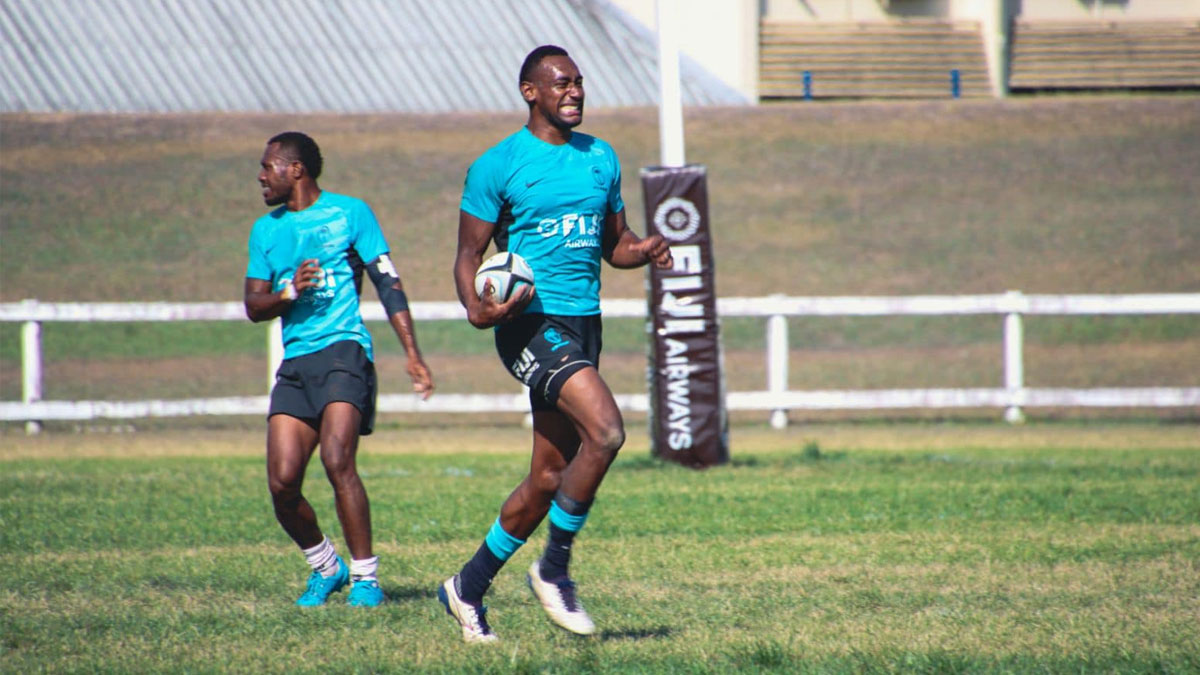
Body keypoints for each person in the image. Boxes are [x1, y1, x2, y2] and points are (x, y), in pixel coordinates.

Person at [438, 45, 673, 643]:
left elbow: (614, 246)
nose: (574, 91)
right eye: (562, 83)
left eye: (579, 82)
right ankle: (554, 569)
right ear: (531, 92)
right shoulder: (498, 165)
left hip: (584, 324)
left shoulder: (601, 157)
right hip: (528, 323)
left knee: (547, 478)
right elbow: (468, 254)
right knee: (608, 431)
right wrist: (475, 306)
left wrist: (643, 250)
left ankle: (467, 587)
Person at [243, 131, 433, 608]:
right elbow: (253, 305)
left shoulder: (351, 214)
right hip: (297, 363)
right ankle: (328, 567)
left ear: (296, 169)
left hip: (345, 353)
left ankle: (367, 579)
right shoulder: (265, 230)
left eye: (268, 166)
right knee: (282, 483)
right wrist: (289, 292)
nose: (261, 176)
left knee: (336, 459)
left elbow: (388, 283)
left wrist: (412, 353)